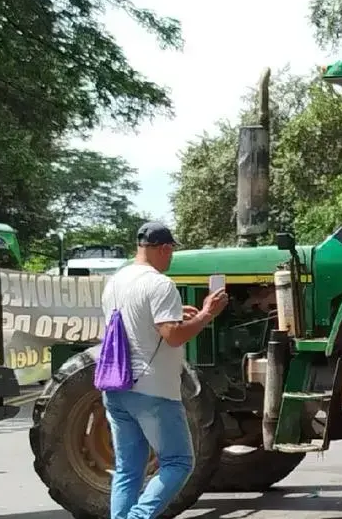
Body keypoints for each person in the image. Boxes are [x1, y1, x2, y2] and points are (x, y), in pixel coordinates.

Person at [101, 222, 228, 519]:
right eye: (171, 251)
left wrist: (174, 314)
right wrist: (208, 313)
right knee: (178, 462)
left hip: (117, 387)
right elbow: (173, 335)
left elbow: (137, 322)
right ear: (164, 248)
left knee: (128, 468)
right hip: (153, 390)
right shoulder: (160, 284)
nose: (171, 258)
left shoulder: (116, 281)